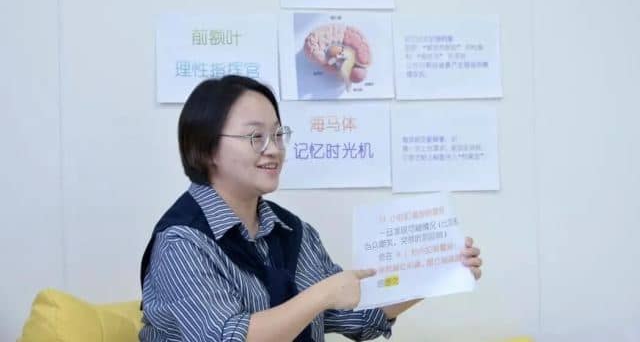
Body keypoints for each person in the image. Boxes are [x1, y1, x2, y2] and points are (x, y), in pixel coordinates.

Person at [139, 75, 483, 342]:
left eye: (278, 135)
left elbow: (359, 317)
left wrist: (438, 272)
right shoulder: (181, 242)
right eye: (255, 137)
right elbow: (231, 338)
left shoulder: (292, 231)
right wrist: (322, 295)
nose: (274, 149)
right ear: (206, 148)